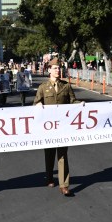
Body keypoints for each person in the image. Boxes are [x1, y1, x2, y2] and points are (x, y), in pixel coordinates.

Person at [34, 58, 80, 197]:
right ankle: (49, 177)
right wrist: (38, 105)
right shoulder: (43, 87)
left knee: (62, 155)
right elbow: (36, 102)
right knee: (49, 154)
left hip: (62, 127)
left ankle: (64, 185)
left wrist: (81, 104)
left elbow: (73, 101)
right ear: (49, 70)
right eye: (54, 68)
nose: (57, 70)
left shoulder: (66, 86)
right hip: (48, 128)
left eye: (59, 68)